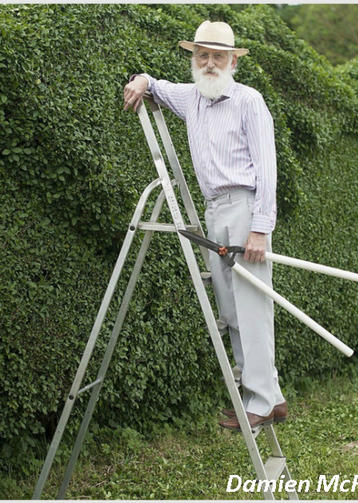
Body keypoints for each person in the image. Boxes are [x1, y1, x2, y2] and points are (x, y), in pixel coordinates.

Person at [122, 20, 287, 431]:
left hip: (246, 208)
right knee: (232, 311)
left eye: (218, 56)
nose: (209, 63)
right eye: (202, 56)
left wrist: (260, 228)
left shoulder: (250, 101)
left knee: (252, 307)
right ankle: (267, 397)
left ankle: (263, 399)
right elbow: (156, 85)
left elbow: (268, 170)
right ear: (194, 60)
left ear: (233, 61)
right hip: (214, 212)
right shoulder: (192, 97)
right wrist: (142, 79)